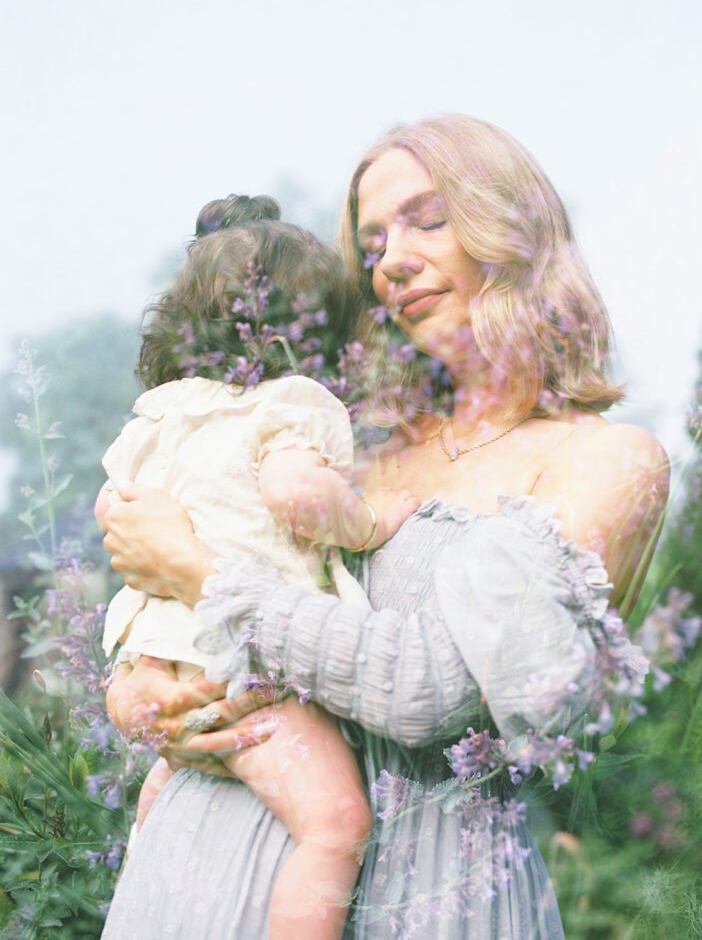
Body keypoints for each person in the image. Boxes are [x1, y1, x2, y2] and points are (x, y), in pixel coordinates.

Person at [101, 114, 669, 940]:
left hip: (431, 899)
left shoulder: (607, 462)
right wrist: (141, 696)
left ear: (515, 232)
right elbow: (165, 605)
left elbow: (436, 695)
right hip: (202, 875)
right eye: (370, 247)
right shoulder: (332, 439)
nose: (391, 261)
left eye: (429, 221)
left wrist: (202, 576)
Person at [97, 195, 417, 940]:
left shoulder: (164, 411)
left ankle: (145, 879)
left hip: (154, 658)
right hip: (242, 670)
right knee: (335, 825)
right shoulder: (292, 404)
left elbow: (116, 509)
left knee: (166, 787)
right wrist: (369, 519)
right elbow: (295, 491)